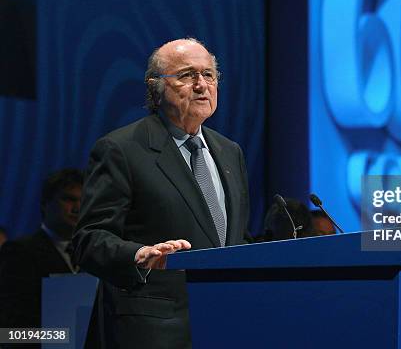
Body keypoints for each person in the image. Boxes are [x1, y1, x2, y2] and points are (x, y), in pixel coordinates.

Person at [72, 38, 251, 348]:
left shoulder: (230, 152)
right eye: (186, 75)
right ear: (155, 86)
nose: (201, 85)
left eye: (208, 75)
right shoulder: (122, 149)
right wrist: (138, 255)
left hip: (226, 322)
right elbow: (88, 240)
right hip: (154, 331)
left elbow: (234, 240)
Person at [0, 168, 83, 329]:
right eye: (69, 199)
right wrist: (59, 337)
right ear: (45, 203)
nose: (77, 208)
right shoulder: (19, 252)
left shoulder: (93, 253)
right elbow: (11, 329)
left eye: (84, 201)